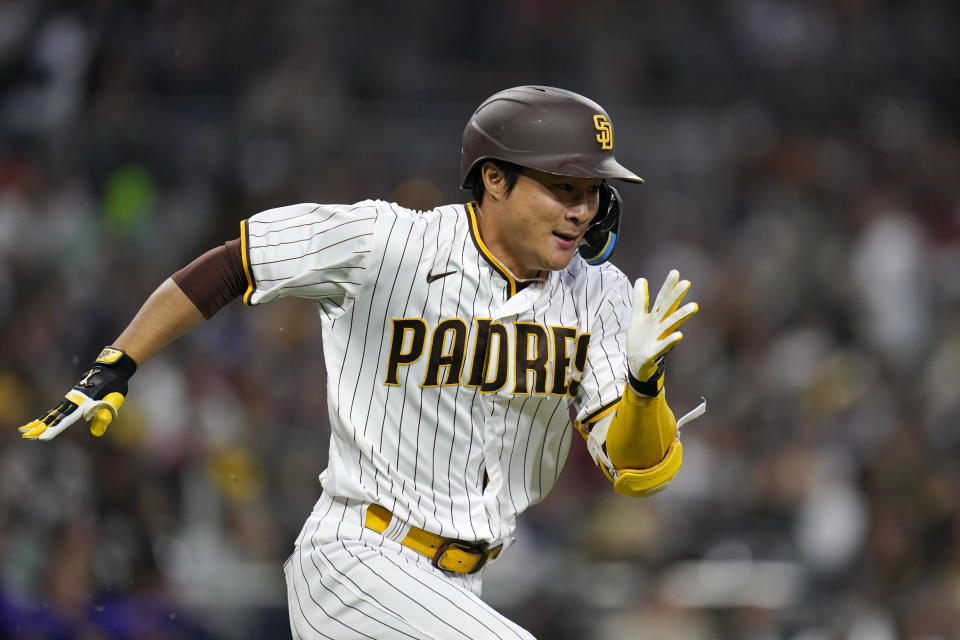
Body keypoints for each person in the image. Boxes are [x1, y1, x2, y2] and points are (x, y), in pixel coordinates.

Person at [20, 85, 703, 639]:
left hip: (458, 584)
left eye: (591, 191)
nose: (582, 209)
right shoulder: (390, 242)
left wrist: (644, 386)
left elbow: (638, 472)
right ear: (493, 179)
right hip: (358, 562)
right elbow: (238, 263)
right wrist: (118, 362)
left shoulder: (604, 297)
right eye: (562, 187)